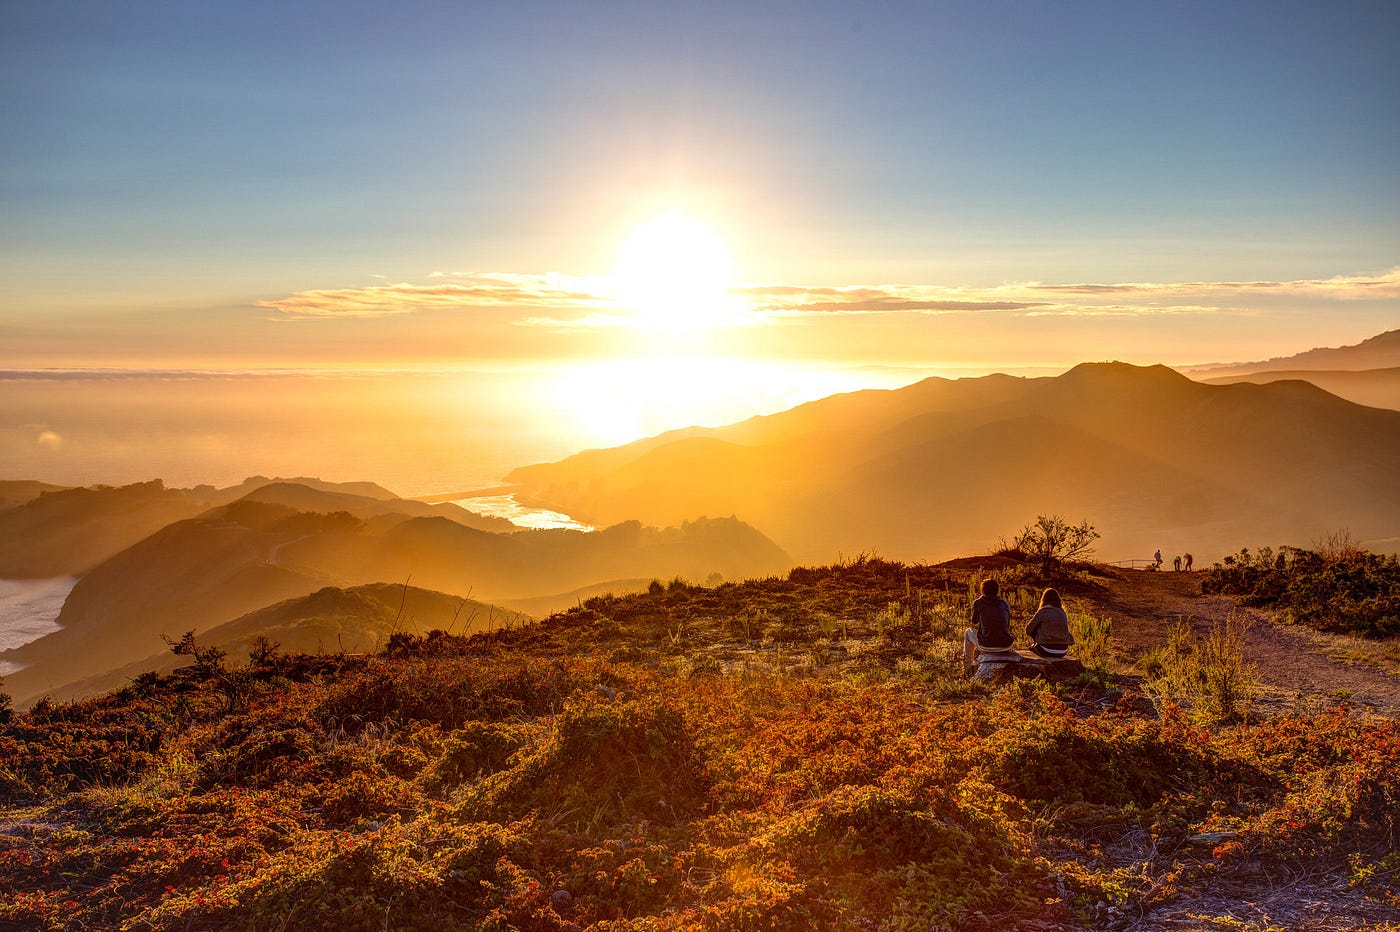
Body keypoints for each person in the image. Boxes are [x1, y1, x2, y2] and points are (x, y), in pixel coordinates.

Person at [964, 578, 1014, 672]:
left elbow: (974, 621)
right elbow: (1007, 625)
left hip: (986, 645)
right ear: (997, 590)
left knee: (968, 632)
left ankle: (967, 668)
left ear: (983, 590)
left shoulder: (978, 602)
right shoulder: (1004, 604)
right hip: (1006, 645)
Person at [1025, 588, 1075, 659]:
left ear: (1044, 599)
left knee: (1036, 627)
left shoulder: (1043, 611)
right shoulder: (1062, 612)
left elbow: (1028, 630)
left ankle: (1035, 645)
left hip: (1046, 650)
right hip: (1063, 651)